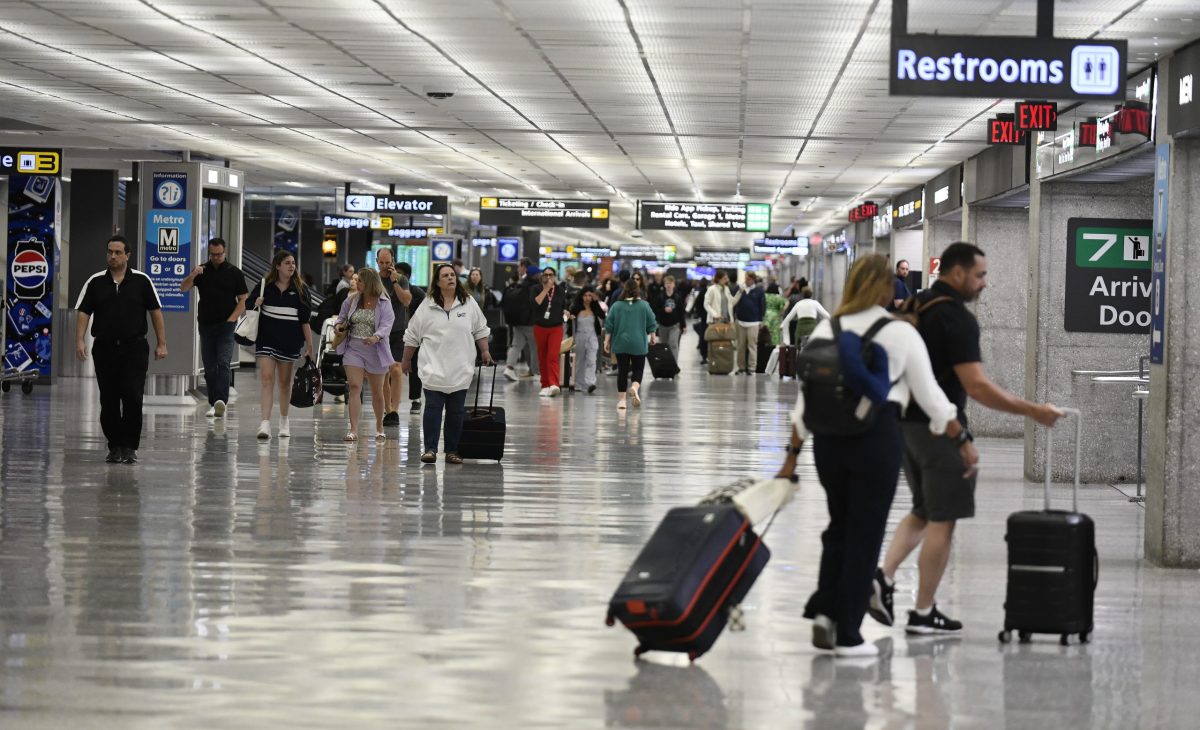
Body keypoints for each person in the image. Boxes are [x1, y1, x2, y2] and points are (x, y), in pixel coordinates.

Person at [773, 253, 973, 657]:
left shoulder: (830, 328)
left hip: (828, 441)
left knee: (840, 528)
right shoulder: (898, 333)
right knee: (865, 532)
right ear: (884, 288)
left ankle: (828, 613)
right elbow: (931, 396)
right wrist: (961, 438)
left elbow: (806, 398)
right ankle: (848, 633)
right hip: (875, 439)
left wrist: (791, 459)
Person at [871, 242, 1064, 636]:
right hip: (941, 430)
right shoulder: (955, 319)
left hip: (903, 426)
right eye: (980, 275)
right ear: (956, 273)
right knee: (944, 520)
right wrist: (1033, 411)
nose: (985, 284)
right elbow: (975, 386)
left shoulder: (913, 306)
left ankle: (883, 578)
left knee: (924, 510)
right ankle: (924, 611)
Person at [74, 235, 168, 464]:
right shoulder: (95, 282)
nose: (113, 256)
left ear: (128, 255)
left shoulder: (142, 281)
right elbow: (84, 312)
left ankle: (130, 446)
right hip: (105, 348)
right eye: (110, 252)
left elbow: (155, 312)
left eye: (118, 252)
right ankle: (114, 445)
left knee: (133, 396)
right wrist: (80, 340)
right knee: (109, 398)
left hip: (134, 347)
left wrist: (162, 342)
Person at [402, 263, 492, 464]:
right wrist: (406, 360)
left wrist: (485, 351)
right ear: (437, 281)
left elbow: (480, 329)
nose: (451, 278)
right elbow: (412, 335)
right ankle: (430, 449)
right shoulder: (427, 305)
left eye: (453, 275)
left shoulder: (468, 303)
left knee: (456, 412)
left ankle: (452, 450)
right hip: (433, 367)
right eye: (445, 275)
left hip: (460, 367)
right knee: (433, 408)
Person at [180, 237, 248, 418]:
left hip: (226, 325)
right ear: (209, 253)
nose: (216, 257)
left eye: (219, 254)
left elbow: (243, 299)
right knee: (209, 367)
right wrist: (193, 274)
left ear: (225, 252)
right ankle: (214, 403)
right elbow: (183, 288)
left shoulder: (234, 273)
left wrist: (232, 319)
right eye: (213, 255)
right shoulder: (202, 271)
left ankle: (220, 401)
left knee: (223, 363)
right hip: (206, 324)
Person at [250, 250, 314, 440]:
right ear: (277, 266)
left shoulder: (301, 290)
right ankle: (265, 423)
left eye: (293, 263)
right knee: (267, 379)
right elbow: (248, 306)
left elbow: (305, 321)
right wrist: (256, 302)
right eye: (287, 263)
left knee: (285, 383)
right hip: (266, 339)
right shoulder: (265, 286)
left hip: (290, 342)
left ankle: (284, 421)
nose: (291, 266)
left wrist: (310, 347)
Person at [334, 268, 395, 442]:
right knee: (354, 387)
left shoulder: (384, 302)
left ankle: (379, 426)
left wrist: (376, 337)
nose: (355, 283)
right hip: (354, 348)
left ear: (369, 283)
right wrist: (339, 326)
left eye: (359, 280)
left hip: (376, 350)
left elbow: (386, 325)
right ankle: (353, 429)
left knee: (377, 392)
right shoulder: (351, 300)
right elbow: (341, 317)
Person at [603, 279, 658, 410]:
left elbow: (609, 325)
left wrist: (606, 341)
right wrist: (653, 336)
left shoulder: (616, 306)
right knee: (638, 369)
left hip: (621, 343)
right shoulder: (644, 305)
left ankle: (622, 401)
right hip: (638, 343)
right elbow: (652, 322)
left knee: (622, 371)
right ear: (637, 290)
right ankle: (634, 387)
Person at [376, 248, 412, 426]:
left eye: (387, 263)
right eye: (381, 263)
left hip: (397, 330)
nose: (384, 266)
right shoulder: (373, 279)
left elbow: (406, 300)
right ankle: (387, 409)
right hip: (380, 332)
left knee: (396, 369)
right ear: (377, 262)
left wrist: (395, 282)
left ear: (393, 261)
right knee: (383, 372)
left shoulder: (401, 279)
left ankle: (395, 410)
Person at [532, 267, 568, 397]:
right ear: (542, 276)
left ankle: (554, 384)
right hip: (540, 327)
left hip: (556, 327)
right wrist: (546, 289)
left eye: (551, 275)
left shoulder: (560, 290)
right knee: (542, 356)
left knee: (552, 356)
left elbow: (563, 305)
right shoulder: (536, 289)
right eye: (545, 275)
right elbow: (536, 303)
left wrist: (566, 312)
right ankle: (545, 384)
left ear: (555, 276)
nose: (548, 277)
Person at [502, 258, 539, 381]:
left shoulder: (519, 284)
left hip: (517, 321)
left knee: (516, 345)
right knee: (535, 347)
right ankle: (535, 372)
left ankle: (509, 368)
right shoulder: (535, 286)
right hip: (530, 322)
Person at [396, 261, 425, 414]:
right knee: (392, 366)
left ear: (406, 275)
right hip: (394, 333)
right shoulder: (389, 290)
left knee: (414, 366)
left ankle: (416, 399)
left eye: (398, 272)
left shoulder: (418, 293)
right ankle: (391, 400)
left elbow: (424, 317)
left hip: (413, 335)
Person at [569, 285, 605, 394]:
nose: (588, 298)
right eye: (585, 295)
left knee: (591, 360)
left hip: (592, 336)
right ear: (581, 296)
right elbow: (570, 321)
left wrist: (596, 302)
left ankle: (590, 383)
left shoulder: (595, 308)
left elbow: (602, 316)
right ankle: (578, 384)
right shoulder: (575, 308)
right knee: (579, 361)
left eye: (590, 295)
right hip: (579, 336)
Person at [731, 271, 766, 374]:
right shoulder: (739, 289)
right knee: (740, 345)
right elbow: (733, 302)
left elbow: (762, 306)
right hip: (740, 321)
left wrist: (761, 320)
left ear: (753, 280)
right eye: (746, 278)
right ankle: (741, 367)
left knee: (752, 346)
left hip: (754, 322)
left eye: (749, 279)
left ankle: (751, 367)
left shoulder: (759, 291)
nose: (747, 281)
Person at [651, 275, 687, 363]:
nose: (668, 285)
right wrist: (663, 310)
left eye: (670, 283)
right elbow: (655, 310)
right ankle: (665, 364)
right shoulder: (660, 297)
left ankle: (674, 364)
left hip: (674, 325)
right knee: (664, 345)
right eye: (666, 283)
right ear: (664, 285)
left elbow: (681, 312)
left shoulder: (677, 297)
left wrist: (683, 325)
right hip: (663, 325)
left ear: (674, 285)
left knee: (673, 344)